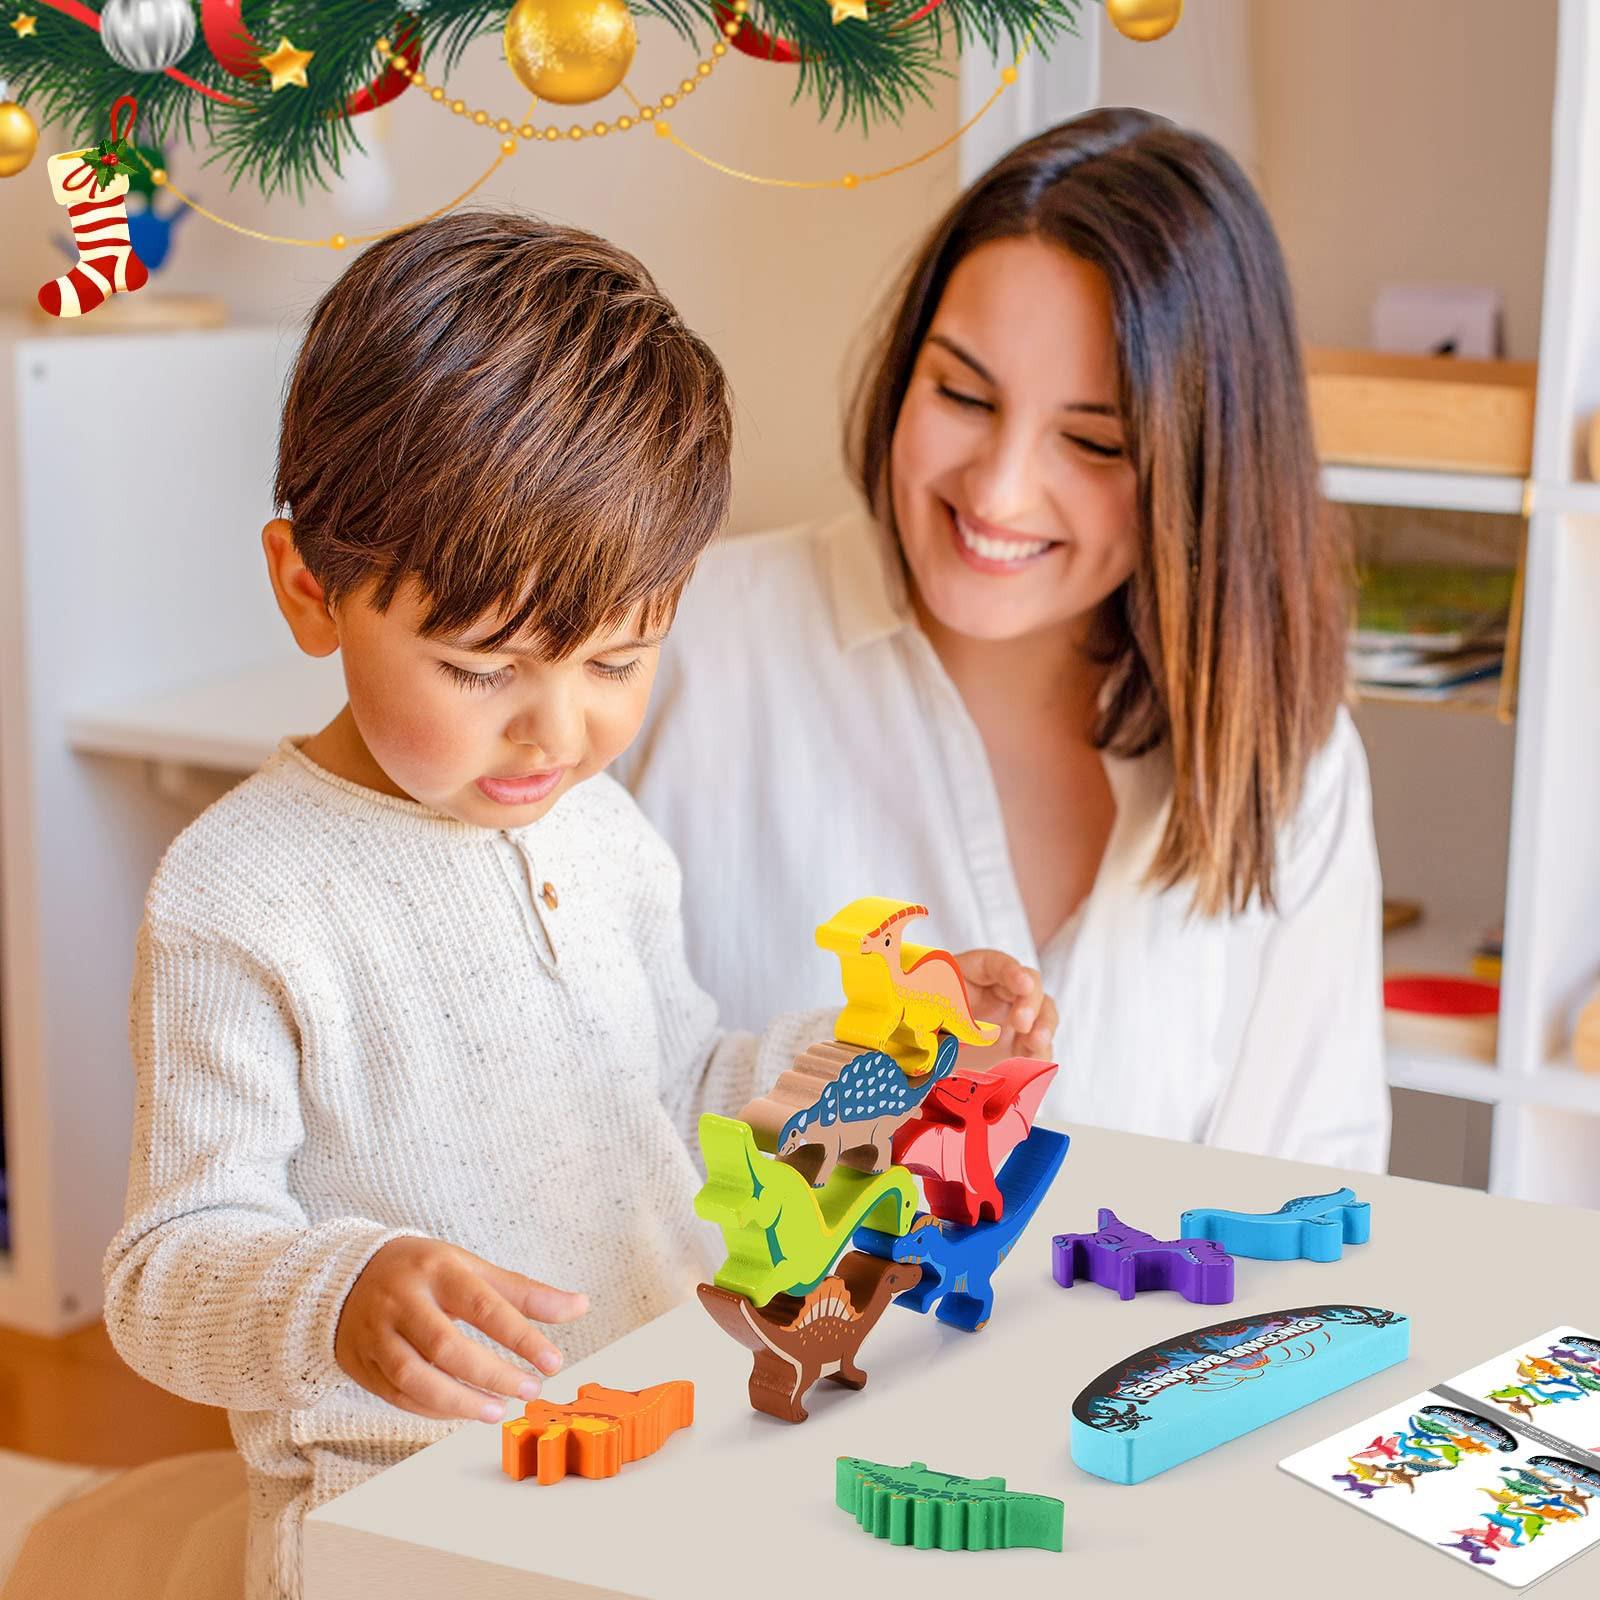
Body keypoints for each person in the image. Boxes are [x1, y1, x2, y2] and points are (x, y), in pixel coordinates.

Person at [98, 210, 1057, 1600]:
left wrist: (886, 1065)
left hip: (669, 1446)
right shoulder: (242, 896)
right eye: (483, 668)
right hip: (413, 1520)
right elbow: (161, 1272)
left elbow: (670, 1087)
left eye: (620, 657)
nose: (555, 732)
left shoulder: (598, 828)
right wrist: (339, 1298)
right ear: (312, 590)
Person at [622, 108, 1389, 1171]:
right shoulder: (675, 646)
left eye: (1091, 440)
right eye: (962, 393)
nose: (998, 489)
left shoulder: (1289, 759)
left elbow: (1312, 1182)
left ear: (1203, 469)